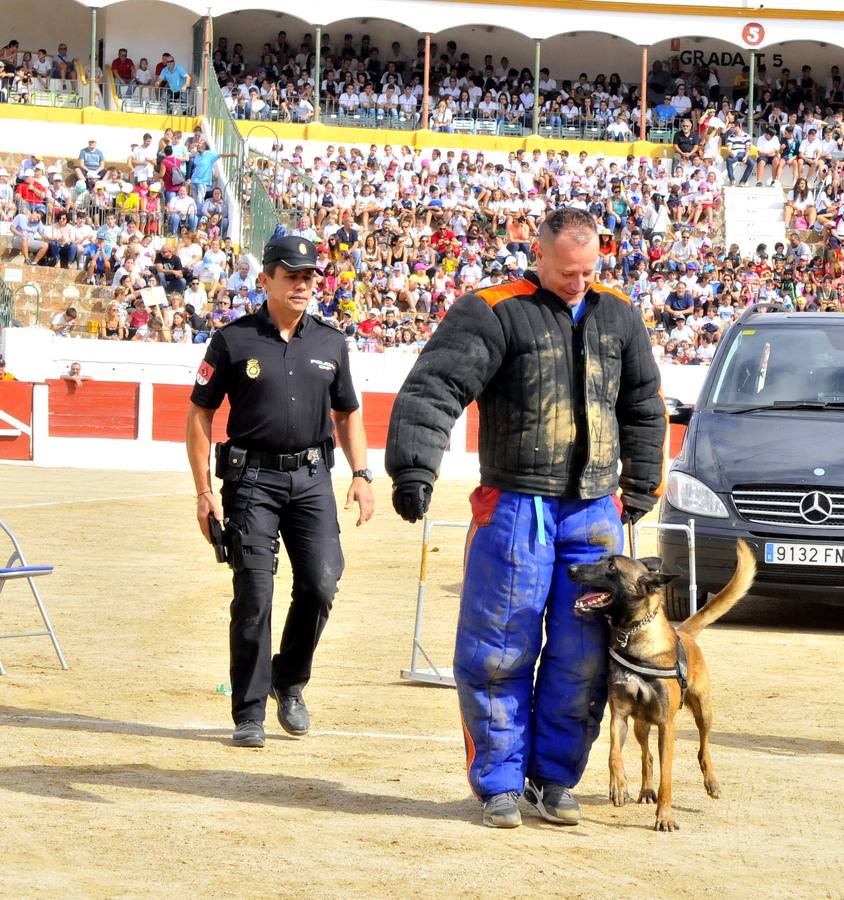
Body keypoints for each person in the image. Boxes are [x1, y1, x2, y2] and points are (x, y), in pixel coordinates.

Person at [384, 206, 666, 829]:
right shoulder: (491, 309)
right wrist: (413, 467)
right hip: (515, 504)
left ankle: (555, 781)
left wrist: (643, 478)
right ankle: (499, 785)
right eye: (568, 271)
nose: (578, 282)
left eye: (588, 270)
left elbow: (643, 402)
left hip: (594, 511)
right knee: (498, 649)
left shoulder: (618, 312)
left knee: (585, 656)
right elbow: (434, 387)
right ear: (537, 255)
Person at [185, 235, 375, 749]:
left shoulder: (331, 343)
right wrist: (204, 492)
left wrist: (362, 473)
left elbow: (347, 412)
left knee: (320, 582)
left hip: (312, 480)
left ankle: (288, 680)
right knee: (254, 593)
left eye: (309, 276)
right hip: (250, 483)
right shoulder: (232, 340)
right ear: (264, 279)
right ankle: (249, 711)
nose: (302, 284)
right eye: (291, 275)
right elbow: (200, 413)